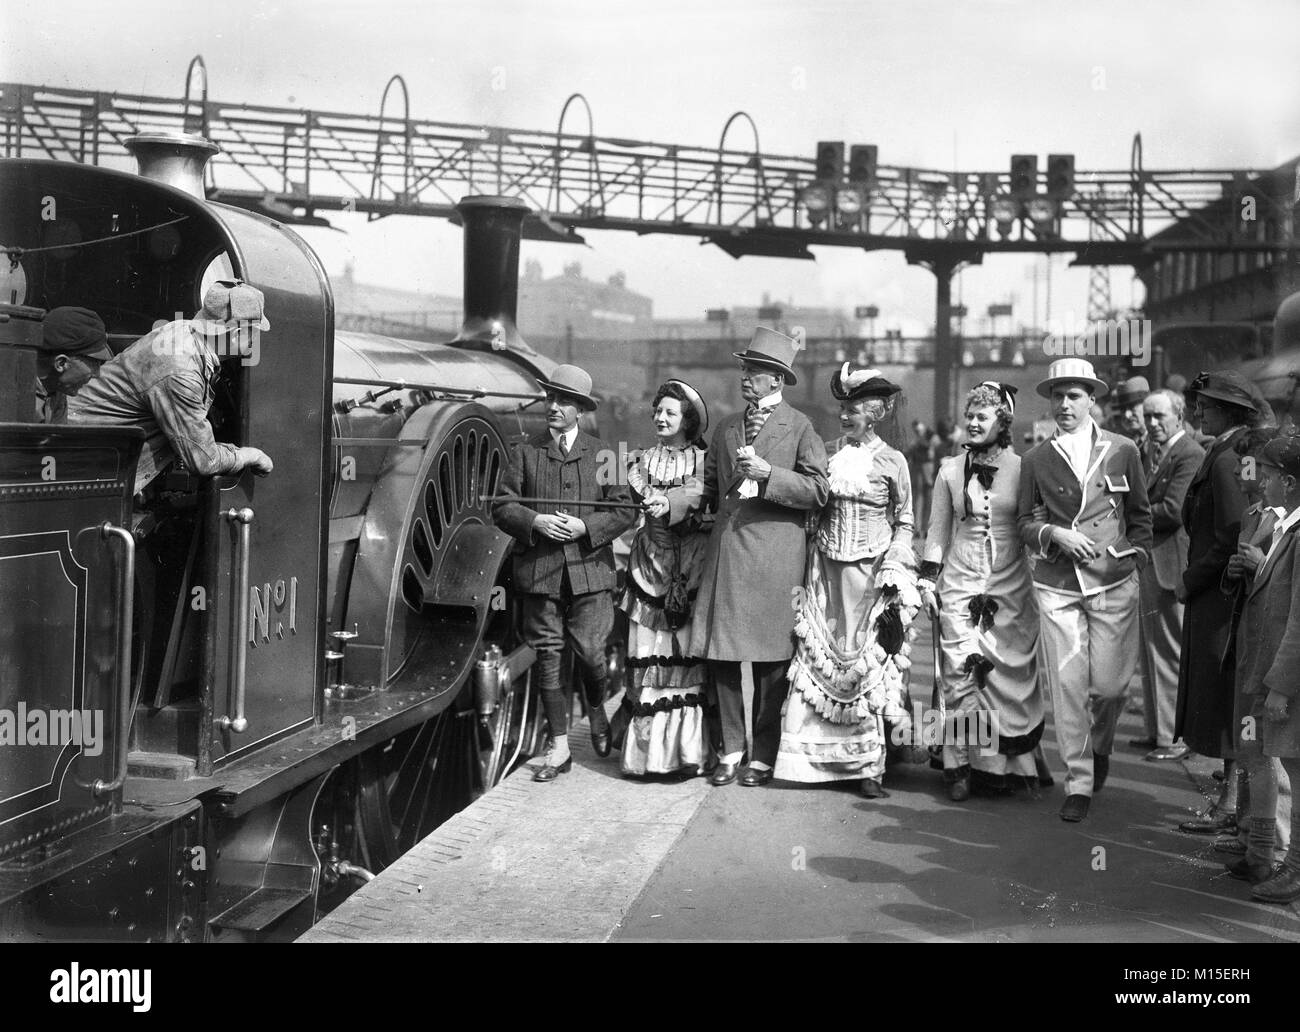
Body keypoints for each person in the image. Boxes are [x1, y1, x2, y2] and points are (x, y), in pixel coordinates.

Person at [691, 328, 829, 788]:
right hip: (729, 554)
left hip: (775, 556)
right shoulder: (727, 427)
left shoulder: (802, 427)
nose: (745, 377)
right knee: (724, 657)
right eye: (745, 369)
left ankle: (763, 756)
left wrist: (772, 475)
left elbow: (818, 491)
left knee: (772, 662)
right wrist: (668, 502)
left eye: (756, 371)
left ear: (778, 380)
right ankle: (731, 750)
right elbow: (709, 491)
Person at [1017, 358, 1153, 822]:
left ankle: (1101, 746)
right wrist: (1054, 535)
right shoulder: (1036, 458)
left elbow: (1141, 515)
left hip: (1113, 579)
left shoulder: (1123, 450)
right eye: (1057, 396)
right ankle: (1079, 781)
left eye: (1074, 395)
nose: (1064, 404)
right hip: (1057, 585)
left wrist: (1137, 555)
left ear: (1093, 400)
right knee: (1069, 687)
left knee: (1111, 688)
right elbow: (1023, 522)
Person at [775, 365, 919, 798]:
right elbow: (814, 509)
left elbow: (906, 522)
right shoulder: (829, 455)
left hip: (870, 577)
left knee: (866, 668)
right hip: (825, 575)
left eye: (853, 409)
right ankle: (814, 763)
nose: (844, 415)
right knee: (822, 663)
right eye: (842, 407)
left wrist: (895, 566)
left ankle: (869, 767)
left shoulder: (894, 461)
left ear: (874, 413)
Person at [493, 364, 637, 781]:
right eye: (551, 398)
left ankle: (595, 708)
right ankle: (558, 747)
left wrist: (586, 528)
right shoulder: (523, 451)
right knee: (548, 657)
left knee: (592, 653)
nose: (554, 407)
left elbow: (625, 508)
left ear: (580, 410)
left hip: (590, 572)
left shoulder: (604, 454)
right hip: (540, 572)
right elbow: (501, 506)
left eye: (565, 401)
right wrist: (534, 522)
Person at [920, 382, 1042, 801]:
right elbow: (937, 530)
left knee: (1003, 672)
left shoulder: (1024, 468)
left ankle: (999, 765)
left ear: (1001, 422)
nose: (971, 423)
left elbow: (1032, 524)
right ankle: (957, 766)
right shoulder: (950, 470)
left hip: (1010, 580)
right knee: (957, 670)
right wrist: (926, 579)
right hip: (960, 578)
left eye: (982, 417)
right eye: (969, 416)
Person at [67, 280, 274, 493]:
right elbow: (204, 460)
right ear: (237, 333)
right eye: (255, 331)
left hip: (91, 450)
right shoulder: (182, 369)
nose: (256, 339)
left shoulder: (184, 332)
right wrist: (250, 455)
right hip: (80, 461)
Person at [616, 379, 712, 776]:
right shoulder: (639, 461)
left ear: (686, 420)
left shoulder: (702, 463)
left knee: (682, 652)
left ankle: (685, 755)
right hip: (648, 562)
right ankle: (646, 757)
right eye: (658, 411)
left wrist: (669, 504)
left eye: (670, 412)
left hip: (688, 563)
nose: (661, 417)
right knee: (646, 649)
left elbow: (698, 496)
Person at [1175, 371, 1257, 834]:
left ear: (1227, 411)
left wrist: (1191, 579)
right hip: (1217, 593)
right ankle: (1234, 804)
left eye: (1205, 405)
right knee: (1225, 697)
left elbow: (1230, 533)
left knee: (1226, 697)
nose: (1197, 411)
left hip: (1219, 596)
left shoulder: (1227, 459)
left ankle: (1230, 806)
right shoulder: (1226, 452)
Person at [1130, 389, 1203, 762]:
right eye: (1148, 417)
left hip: (1171, 563)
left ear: (1179, 415)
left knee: (1170, 652)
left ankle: (1175, 737)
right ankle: (1155, 730)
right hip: (1151, 561)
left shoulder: (1189, 453)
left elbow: (1173, 510)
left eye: (1159, 416)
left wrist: (1129, 513)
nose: (1152, 423)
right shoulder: (1150, 451)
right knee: (1149, 650)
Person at [1245, 436, 1300, 903]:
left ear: (1289, 481)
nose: (1260, 480)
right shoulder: (1289, 531)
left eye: (1267, 473)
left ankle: (1295, 871)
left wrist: (1280, 686)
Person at [35, 306, 113, 423]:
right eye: (93, 364)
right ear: (61, 363)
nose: (97, 374)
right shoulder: (12, 392)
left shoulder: (56, 391)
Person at [908, 420, 936, 533]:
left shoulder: (930, 440)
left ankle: (924, 529)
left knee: (927, 501)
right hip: (918, 471)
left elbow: (930, 450)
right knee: (916, 501)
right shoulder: (915, 443)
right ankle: (916, 528)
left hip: (927, 472)